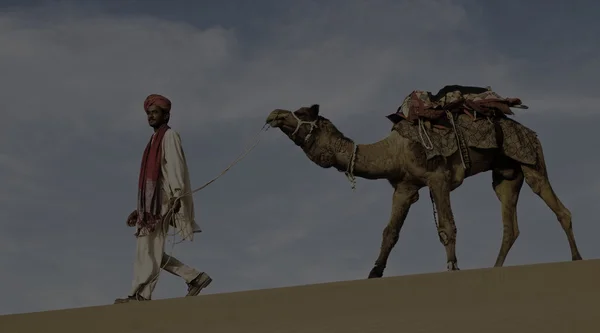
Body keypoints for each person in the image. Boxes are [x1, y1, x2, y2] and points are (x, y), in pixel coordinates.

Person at [114, 94, 211, 304]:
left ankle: (141, 295)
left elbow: (175, 167)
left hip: (165, 200)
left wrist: (177, 195)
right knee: (149, 249)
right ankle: (194, 277)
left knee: (148, 248)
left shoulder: (169, 136)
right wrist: (140, 207)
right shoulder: (152, 141)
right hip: (151, 204)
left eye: (154, 112)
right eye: (148, 113)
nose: (150, 116)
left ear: (166, 115)